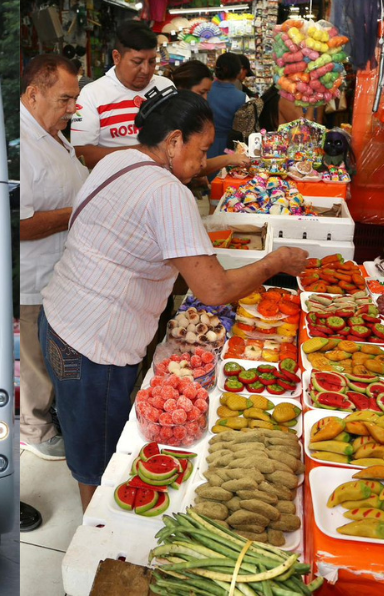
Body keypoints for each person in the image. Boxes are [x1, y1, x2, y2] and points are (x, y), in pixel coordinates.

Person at [40, 88, 306, 512]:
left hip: (59, 319)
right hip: (97, 344)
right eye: (201, 151)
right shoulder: (168, 193)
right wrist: (273, 262)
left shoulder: (118, 158)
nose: (203, 163)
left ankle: (95, 505)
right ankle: (98, 532)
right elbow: (213, 289)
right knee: (99, 450)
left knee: (83, 429)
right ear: (174, 140)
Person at [19, 53, 87, 462]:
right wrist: (79, 213)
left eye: (74, 98)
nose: (73, 107)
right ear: (33, 95)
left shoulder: (54, 133)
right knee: (34, 361)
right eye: (64, 99)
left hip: (59, 273)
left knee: (50, 355)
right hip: (34, 276)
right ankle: (35, 430)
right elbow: (22, 224)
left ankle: (50, 417)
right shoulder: (23, 145)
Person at [70, 19, 176, 168]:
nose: (146, 70)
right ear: (116, 57)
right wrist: (141, 153)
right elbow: (81, 154)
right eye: (137, 62)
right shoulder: (92, 94)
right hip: (118, 188)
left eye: (152, 62)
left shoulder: (166, 87)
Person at [206, 53, 247, 166]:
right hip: (229, 147)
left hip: (205, 145)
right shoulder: (242, 97)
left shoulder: (205, 91)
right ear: (238, 72)